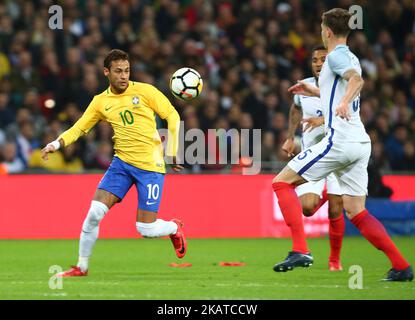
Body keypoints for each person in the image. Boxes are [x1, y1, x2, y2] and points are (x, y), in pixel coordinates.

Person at [272, 8, 412, 281]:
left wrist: (345, 101)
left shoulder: (335, 56)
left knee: (281, 183)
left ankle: (300, 250)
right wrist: (313, 91)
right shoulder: (349, 56)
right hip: (360, 142)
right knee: (356, 211)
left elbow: (356, 81)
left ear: (326, 31)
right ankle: (401, 266)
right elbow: (345, 84)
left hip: (340, 141)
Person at [41, 49, 186, 277]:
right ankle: (82, 266)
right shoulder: (101, 102)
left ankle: (174, 228)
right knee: (94, 214)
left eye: (127, 71)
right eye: (118, 71)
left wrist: (174, 149)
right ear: (106, 72)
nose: (124, 76)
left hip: (150, 167)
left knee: (145, 229)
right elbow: (80, 128)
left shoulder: (146, 91)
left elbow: (172, 115)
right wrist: (56, 144)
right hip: (121, 165)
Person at [281, 45, 344, 271]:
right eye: (315, 60)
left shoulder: (341, 87)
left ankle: (334, 260)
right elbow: (295, 109)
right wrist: (290, 137)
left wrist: (324, 121)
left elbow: (350, 115)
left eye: (323, 59)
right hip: (313, 157)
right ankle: (327, 194)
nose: (318, 63)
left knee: (336, 210)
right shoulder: (304, 86)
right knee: (307, 208)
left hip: (338, 154)